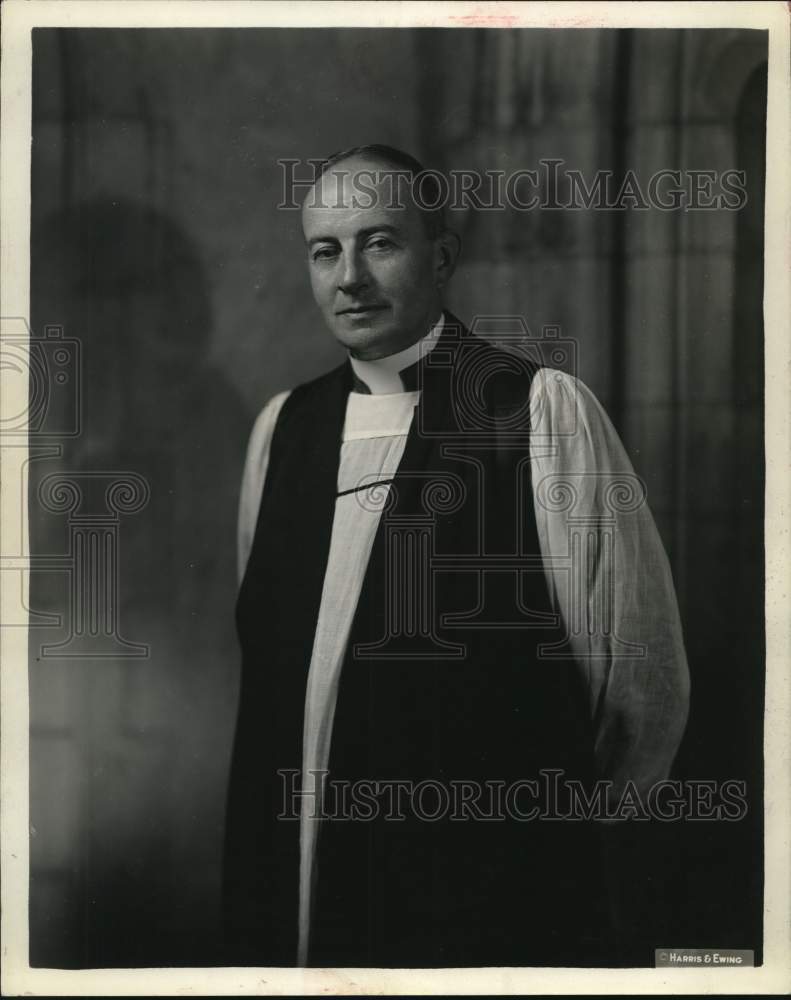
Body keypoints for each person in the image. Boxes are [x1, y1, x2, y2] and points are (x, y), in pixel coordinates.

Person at [223, 144, 690, 969]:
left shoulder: (536, 413)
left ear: (440, 257)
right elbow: (273, 656)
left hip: (483, 874)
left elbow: (636, 682)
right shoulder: (283, 429)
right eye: (324, 250)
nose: (349, 278)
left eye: (380, 242)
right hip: (291, 860)